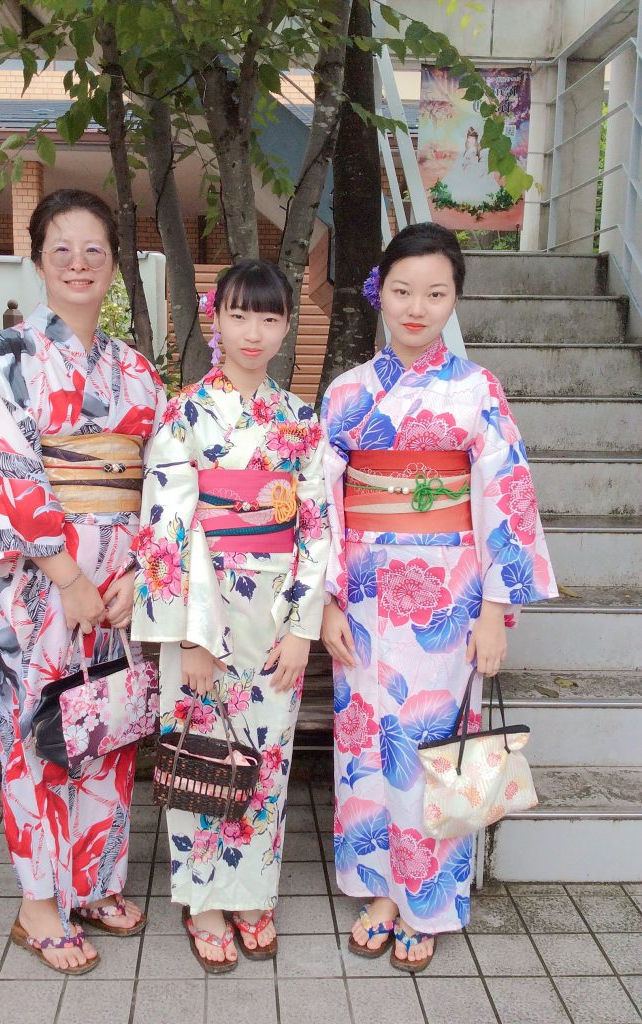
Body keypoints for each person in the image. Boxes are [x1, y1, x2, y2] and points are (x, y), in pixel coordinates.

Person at [320, 223, 557, 972]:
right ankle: (380, 891)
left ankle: (426, 900)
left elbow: (505, 498)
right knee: (365, 742)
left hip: (447, 598)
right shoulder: (348, 392)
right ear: (379, 293)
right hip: (361, 593)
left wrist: (493, 612)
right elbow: (319, 503)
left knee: (433, 745)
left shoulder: (476, 389)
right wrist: (324, 601)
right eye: (402, 291)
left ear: (454, 299)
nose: (416, 307)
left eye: (435, 293)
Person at [0, 189, 165, 974]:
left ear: (114, 263)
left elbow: (165, 480)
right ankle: (38, 902)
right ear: (37, 260)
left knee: (106, 722)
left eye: (94, 250)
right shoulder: (6, 359)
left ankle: (93, 881)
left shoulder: (136, 371)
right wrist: (67, 575)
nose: (79, 263)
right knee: (40, 732)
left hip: (117, 581)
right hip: (42, 582)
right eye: (61, 249)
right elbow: (3, 470)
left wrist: (143, 569)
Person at [131, 259, 329, 973]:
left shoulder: (300, 420)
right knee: (200, 754)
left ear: (286, 326)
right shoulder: (184, 411)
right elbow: (168, 527)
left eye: (269, 317)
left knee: (266, 757)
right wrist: (191, 637)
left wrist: (302, 629)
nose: (253, 331)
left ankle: (250, 893)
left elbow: (317, 527)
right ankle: (203, 901)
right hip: (201, 609)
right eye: (239, 315)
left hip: (272, 613)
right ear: (216, 320)